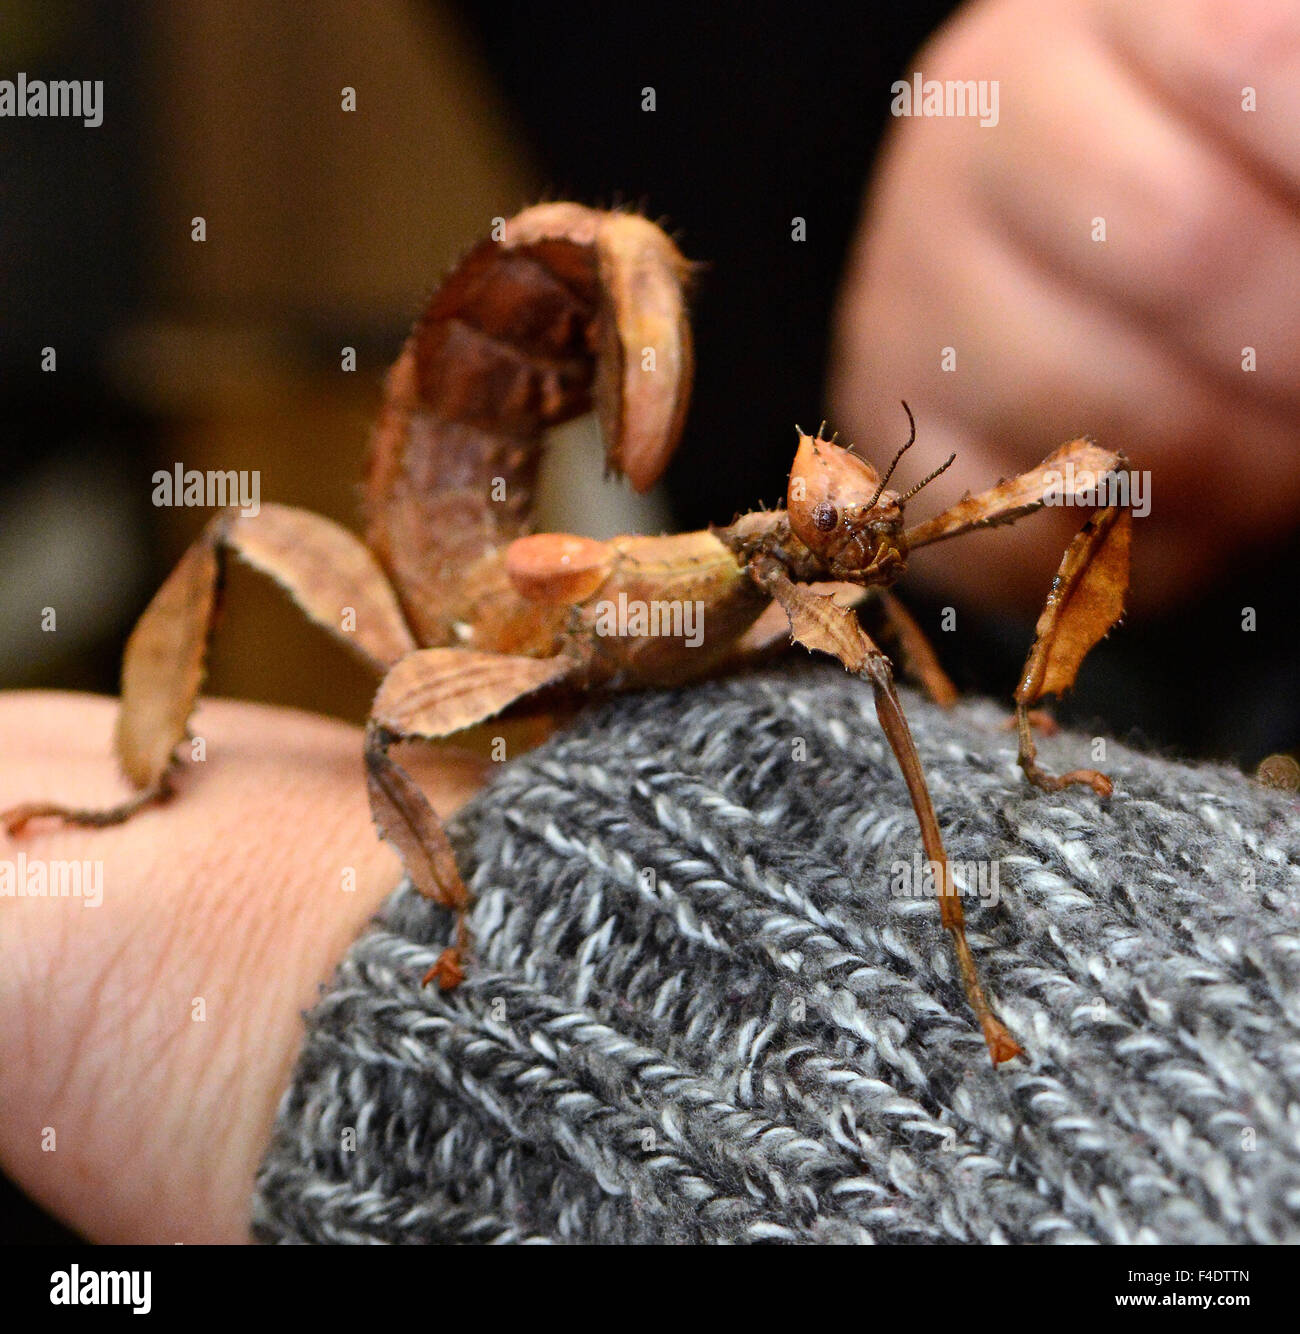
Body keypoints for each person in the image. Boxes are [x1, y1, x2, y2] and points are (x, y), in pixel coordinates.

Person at [3, 0, 1299, 1242]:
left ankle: (1016, 740)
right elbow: (404, 717)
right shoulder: (694, 579)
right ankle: (151, 790)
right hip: (472, 605)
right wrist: (452, 930)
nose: (855, 555)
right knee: (263, 555)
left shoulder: (798, 584)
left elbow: (880, 620)